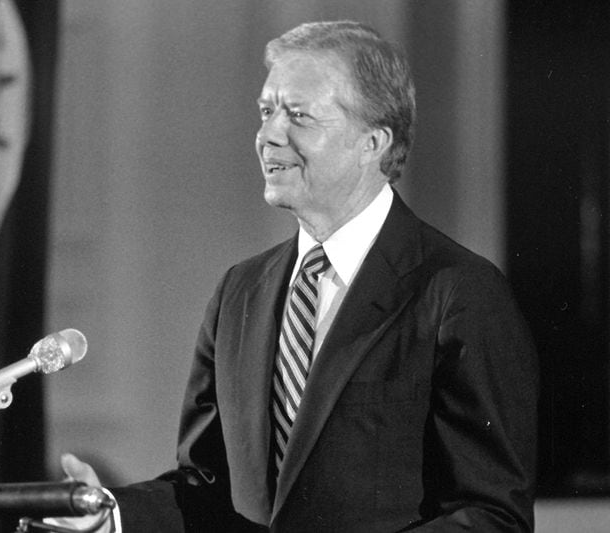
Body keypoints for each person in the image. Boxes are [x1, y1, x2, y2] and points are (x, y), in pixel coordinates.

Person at [49, 20, 538, 532]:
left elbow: (491, 514)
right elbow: (207, 486)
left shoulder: (457, 291)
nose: (268, 135)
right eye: (266, 111)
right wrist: (110, 514)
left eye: (299, 116)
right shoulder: (240, 292)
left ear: (372, 142)